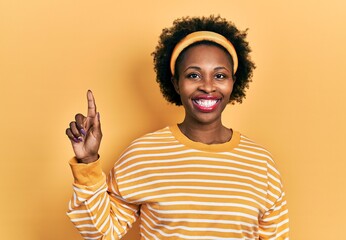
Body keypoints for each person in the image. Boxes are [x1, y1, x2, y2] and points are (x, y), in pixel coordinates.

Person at [66, 15, 290, 239]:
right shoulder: (144, 153)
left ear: (233, 82)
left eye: (220, 75)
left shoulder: (261, 164)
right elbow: (100, 232)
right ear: (176, 83)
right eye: (193, 75)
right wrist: (88, 162)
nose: (207, 86)